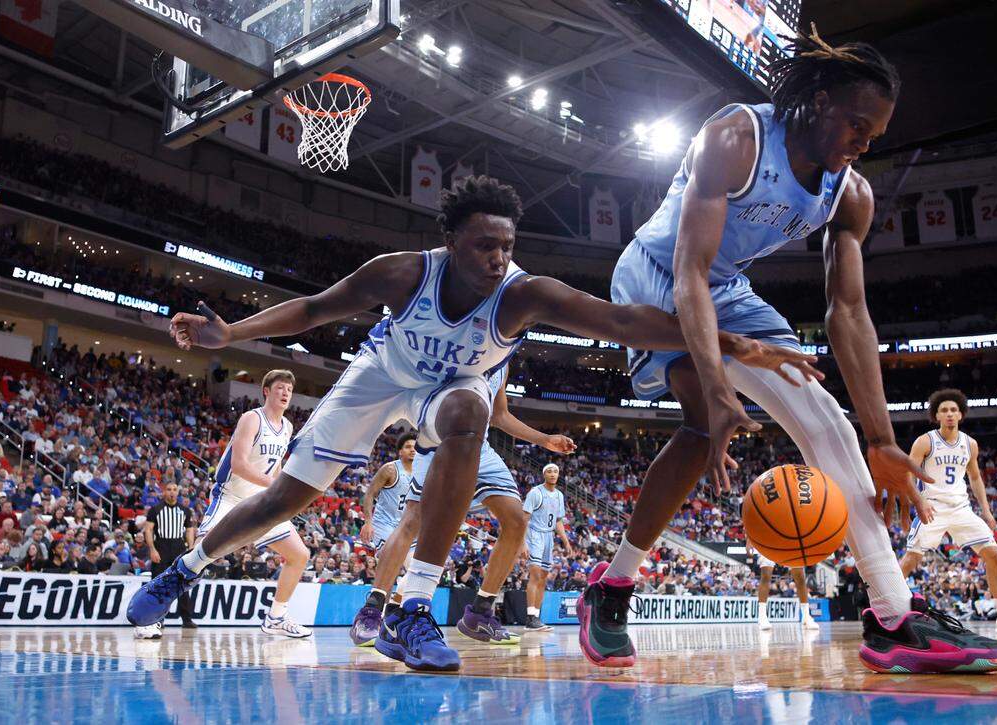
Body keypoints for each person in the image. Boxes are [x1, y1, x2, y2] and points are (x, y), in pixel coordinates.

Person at [129, 175, 816, 672]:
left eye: (506, 245)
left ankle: (415, 610)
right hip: (382, 377)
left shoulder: (523, 294)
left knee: (468, 410)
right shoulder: (400, 273)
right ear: (451, 239)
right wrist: (232, 334)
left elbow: (622, 320)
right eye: (484, 244)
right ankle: (182, 570)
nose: (497, 257)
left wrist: (727, 341)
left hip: (450, 392)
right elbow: (313, 308)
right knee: (285, 498)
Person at [579, 27, 997, 674]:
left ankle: (893, 615)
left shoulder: (853, 193)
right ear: (818, 101)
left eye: (875, 133)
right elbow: (689, 273)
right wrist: (723, 387)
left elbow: (848, 311)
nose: (864, 142)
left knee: (823, 414)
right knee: (704, 423)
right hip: (658, 272)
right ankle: (612, 585)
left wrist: (882, 438)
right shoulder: (735, 139)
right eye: (856, 125)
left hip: (727, 287)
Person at [350, 364, 575, 651]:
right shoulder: (469, 342)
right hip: (439, 442)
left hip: (480, 448)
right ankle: (372, 609)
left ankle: (480, 612)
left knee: (516, 520)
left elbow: (499, 415)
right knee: (413, 520)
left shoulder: (504, 362)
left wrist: (544, 440)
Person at [899, 389, 997, 634]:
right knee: (912, 559)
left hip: (962, 508)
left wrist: (986, 510)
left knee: (994, 556)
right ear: (937, 415)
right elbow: (907, 474)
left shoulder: (969, 444)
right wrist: (920, 501)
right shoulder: (925, 441)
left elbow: (975, 478)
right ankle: (883, 607)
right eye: (944, 410)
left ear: (961, 414)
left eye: (954, 409)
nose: (950, 414)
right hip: (933, 506)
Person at [197, 369, 311, 639]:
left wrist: (282, 491)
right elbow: (239, 465)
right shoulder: (252, 418)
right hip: (231, 496)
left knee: (299, 555)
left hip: (261, 500)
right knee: (197, 557)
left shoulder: (288, 427)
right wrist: (277, 486)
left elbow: (277, 468)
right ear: (266, 391)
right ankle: (154, 610)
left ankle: (276, 617)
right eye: (280, 387)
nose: (285, 393)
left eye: (289, 390)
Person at [137, 481, 197, 639]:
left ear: (178, 492)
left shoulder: (185, 511)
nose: (172, 492)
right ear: (164, 492)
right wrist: (152, 549)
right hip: (161, 546)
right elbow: (148, 530)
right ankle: (157, 619)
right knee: (159, 583)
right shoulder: (155, 510)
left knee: (183, 583)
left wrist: (190, 549)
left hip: (178, 547)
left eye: (174, 489)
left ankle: (186, 618)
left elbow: (190, 531)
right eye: (169, 489)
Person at [522, 463, 572, 632]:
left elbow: (558, 521)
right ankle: (530, 617)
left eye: (555, 471)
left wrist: (566, 542)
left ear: (558, 475)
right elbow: (524, 518)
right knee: (535, 575)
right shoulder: (535, 493)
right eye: (549, 471)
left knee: (543, 577)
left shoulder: (559, 495)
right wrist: (523, 543)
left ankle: (535, 617)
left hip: (549, 537)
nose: (552, 474)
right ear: (544, 474)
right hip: (535, 535)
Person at [359, 431, 416, 553]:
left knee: (413, 566)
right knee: (390, 560)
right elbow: (369, 494)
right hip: (384, 524)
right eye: (408, 447)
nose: (412, 450)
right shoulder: (390, 469)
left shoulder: (421, 474)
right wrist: (368, 522)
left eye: (414, 447)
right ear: (400, 452)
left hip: (405, 526)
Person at [747, 543, 818, 630]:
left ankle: (806, 616)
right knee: (766, 575)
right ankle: (762, 617)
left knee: (800, 577)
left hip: (790, 538)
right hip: (768, 537)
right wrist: (748, 539)